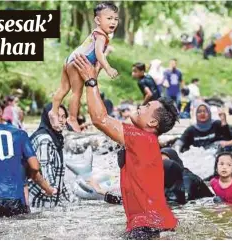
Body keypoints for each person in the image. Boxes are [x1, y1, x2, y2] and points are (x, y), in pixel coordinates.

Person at [72, 54, 179, 239]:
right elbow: (137, 191)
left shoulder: (142, 138)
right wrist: (103, 193)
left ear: (153, 122)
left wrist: (90, 81)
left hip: (147, 227)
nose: (142, 106)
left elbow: (100, 119)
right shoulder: (144, 140)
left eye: (147, 107)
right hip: (155, 224)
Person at [0, 97, 56, 218]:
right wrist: (47, 188)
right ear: (0, 112)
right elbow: (34, 167)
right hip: (15, 201)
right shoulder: (19, 134)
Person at [50, 1, 119, 132]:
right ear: (98, 20)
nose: (113, 22)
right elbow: (99, 54)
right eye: (109, 18)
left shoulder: (96, 33)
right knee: (77, 92)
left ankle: (53, 111)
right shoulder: (101, 36)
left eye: (116, 19)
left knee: (64, 88)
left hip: (71, 59)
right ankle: (72, 118)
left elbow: (97, 60)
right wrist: (109, 68)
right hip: (79, 62)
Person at [28, 103, 71, 208]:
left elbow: (58, 176)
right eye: (57, 116)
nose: (61, 120)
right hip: (39, 201)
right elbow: (46, 169)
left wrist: (68, 199)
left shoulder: (55, 138)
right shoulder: (45, 140)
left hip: (46, 200)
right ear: (48, 118)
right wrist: (53, 190)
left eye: (63, 116)